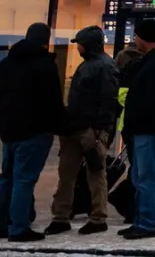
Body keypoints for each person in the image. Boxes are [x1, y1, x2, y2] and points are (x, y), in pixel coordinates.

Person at [0, 23, 66, 242]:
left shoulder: (8, 62)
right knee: (24, 180)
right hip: (35, 130)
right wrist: (60, 126)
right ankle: (18, 228)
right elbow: (53, 102)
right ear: (46, 40)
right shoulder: (44, 65)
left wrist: (5, 106)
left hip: (10, 129)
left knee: (6, 178)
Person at [47, 26, 119, 236]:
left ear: (88, 45)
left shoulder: (102, 66)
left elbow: (108, 100)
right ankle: (63, 215)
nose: (77, 47)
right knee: (70, 173)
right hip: (77, 127)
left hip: (89, 128)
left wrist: (99, 128)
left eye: (79, 43)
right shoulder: (95, 64)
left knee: (93, 173)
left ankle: (96, 217)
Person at [119, 20, 155, 240]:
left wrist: (135, 121)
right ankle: (139, 220)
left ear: (142, 37)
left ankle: (146, 224)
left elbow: (152, 98)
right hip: (145, 127)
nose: (134, 41)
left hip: (149, 127)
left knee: (147, 177)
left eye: (135, 37)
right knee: (139, 176)